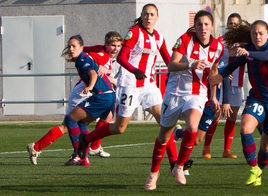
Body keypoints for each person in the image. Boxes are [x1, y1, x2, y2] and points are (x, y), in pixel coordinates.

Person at [76, 3, 179, 170]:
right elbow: (122, 58)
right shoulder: (135, 33)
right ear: (142, 15)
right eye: (146, 14)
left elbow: (168, 59)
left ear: (157, 17)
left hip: (148, 84)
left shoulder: (159, 37)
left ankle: (175, 164)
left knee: (165, 121)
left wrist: (182, 70)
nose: (148, 17)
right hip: (130, 84)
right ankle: (86, 140)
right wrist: (134, 70)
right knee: (120, 127)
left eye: (152, 14)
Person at [144, 10, 224, 190]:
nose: (203, 28)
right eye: (199, 25)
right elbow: (171, 65)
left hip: (197, 93)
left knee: (193, 126)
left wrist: (213, 96)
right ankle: (153, 173)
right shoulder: (185, 40)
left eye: (206, 24)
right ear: (194, 27)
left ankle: (179, 166)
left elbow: (213, 71)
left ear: (212, 26)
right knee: (164, 136)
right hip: (174, 93)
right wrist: (190, 64)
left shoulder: (218, 47)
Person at [210, 20, 268, 186]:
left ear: (267, 34)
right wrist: (220, 76)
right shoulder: (249, 50)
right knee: (245, 127)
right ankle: (253, 168)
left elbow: (266, 56)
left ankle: (259, 170)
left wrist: (248, 53)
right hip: (258, 98)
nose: (257, 36)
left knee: (267, 147)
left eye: (261, 33)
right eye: (254, 33)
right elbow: (234, 65)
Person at [26, 32, 122, 165]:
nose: (115, 48)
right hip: (83, 92)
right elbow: (91, 64)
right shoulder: (100, 55)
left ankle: (88, 150)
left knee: (94, 120)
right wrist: (97, 68)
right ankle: (39, 147)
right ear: (106, 45)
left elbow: (87, 54)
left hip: (95, 92)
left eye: (118, 46)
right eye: (112, 45)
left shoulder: (104, 57)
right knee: (69, 124)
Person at [173, 13, 244, 160]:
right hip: (202, 91)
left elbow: (217, 70)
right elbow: (217, 72)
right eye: (230, 23)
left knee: (200, 135)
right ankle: (184, 161)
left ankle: (180, 135)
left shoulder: (239, 44)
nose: (232, 26)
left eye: (236, 23)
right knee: (200, 126)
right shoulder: (218, 42)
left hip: (225, 87)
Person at [62, 34, 115, 166]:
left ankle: (78, 154)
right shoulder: (83, 58)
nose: (71, 49)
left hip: (102, 96)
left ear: (82, 47)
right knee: (81, 122)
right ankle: (84, 157)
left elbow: (92, 73)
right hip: (108, 96)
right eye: (69, 46)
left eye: (74, 46)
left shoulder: (82, 59)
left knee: (70, 119)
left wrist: (90, 87)